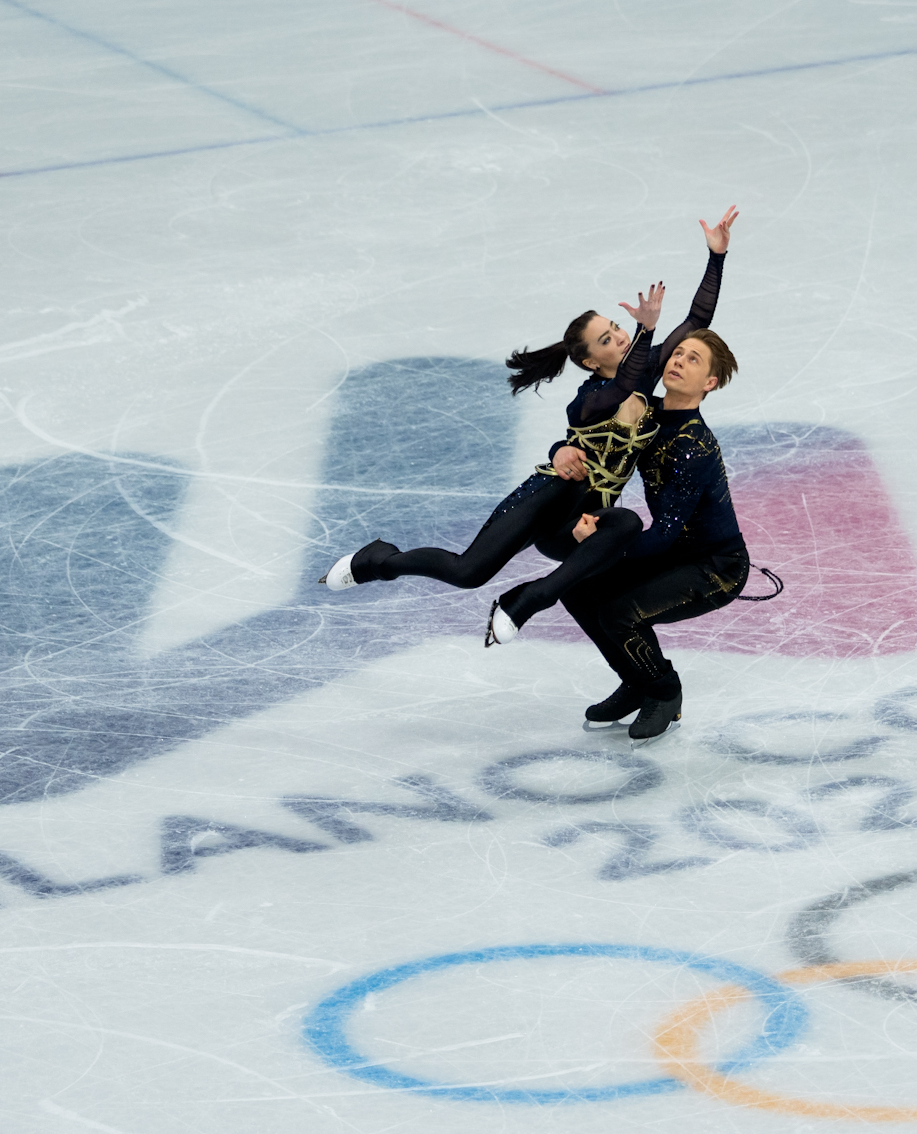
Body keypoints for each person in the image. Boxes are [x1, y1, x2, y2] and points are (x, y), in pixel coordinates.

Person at [317, 209, 739, 648]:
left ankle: (529, 600)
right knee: (467, 572)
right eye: (607, 339)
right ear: (591, 362)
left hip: (582, 518)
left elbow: (696, 319)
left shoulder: (647, 374)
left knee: (626, 525)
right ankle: (378, 561)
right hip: (549, 499)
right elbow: (623, 386)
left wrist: (717, 257)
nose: (620, 338)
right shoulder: (591, 399)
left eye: (616, 328)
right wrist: (644, 330)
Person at [561, 328, 749, 741]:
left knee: (619, 613)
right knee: (576, 588)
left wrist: (602, 548)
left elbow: (664, 534)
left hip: (715, 567)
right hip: (674, 551)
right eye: (678, 352)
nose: (678, 360)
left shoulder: (693, 445)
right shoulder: (646, 413)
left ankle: (663, 691)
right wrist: (561, 449)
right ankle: (636, 681)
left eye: (693, 359)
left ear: (710, 383)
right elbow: (590, 436)